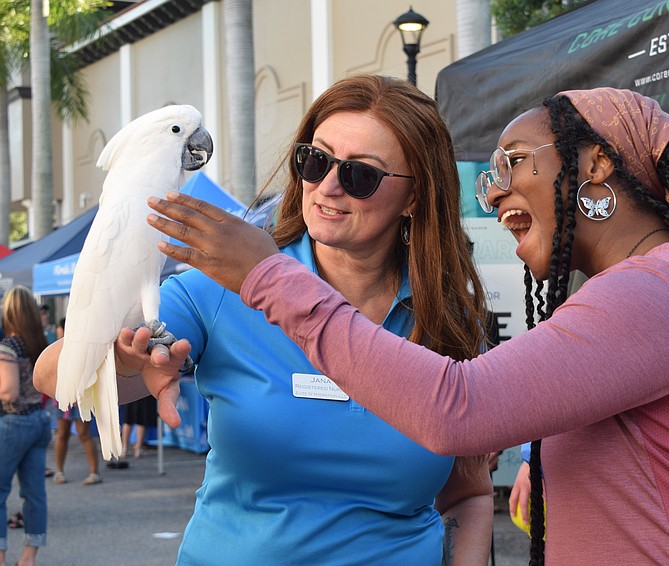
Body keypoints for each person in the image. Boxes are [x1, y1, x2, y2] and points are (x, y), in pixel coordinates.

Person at [139, 87, 669, 565]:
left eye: (514, 162)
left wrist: (267, 276)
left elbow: (460, 410)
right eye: (314, 162)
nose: (496, 189)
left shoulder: (656, 289)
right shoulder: (666, 283)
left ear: (596, 165)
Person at [35, 75, 494, 565]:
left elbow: (468, 492)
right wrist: (128, 363)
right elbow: (51, 373)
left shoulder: (447, 319)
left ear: (415, 196)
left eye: (360, 175)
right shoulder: (227, 282)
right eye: (314, 161)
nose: (327, 187)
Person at [0, 286, 51, 566]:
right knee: (34, 494)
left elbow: (8, 392)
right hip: (39, 419)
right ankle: (29, 557)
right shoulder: (40, 344)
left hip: (14, 421)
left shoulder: (8, 347)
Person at [51, 318, 102, 486]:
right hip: (61, 397)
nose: (58, 332)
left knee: (84, 434)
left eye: (60, 329)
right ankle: (59, 471)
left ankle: (94, 472)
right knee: (62, 434)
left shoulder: (82, 348)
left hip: (80, 397)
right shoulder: (56, 348)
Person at [120, 395, 156, 460]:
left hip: (130, 393)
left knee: (128, 419)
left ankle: (124, 449)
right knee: (142, 419)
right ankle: (138, 449)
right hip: (143, 394)